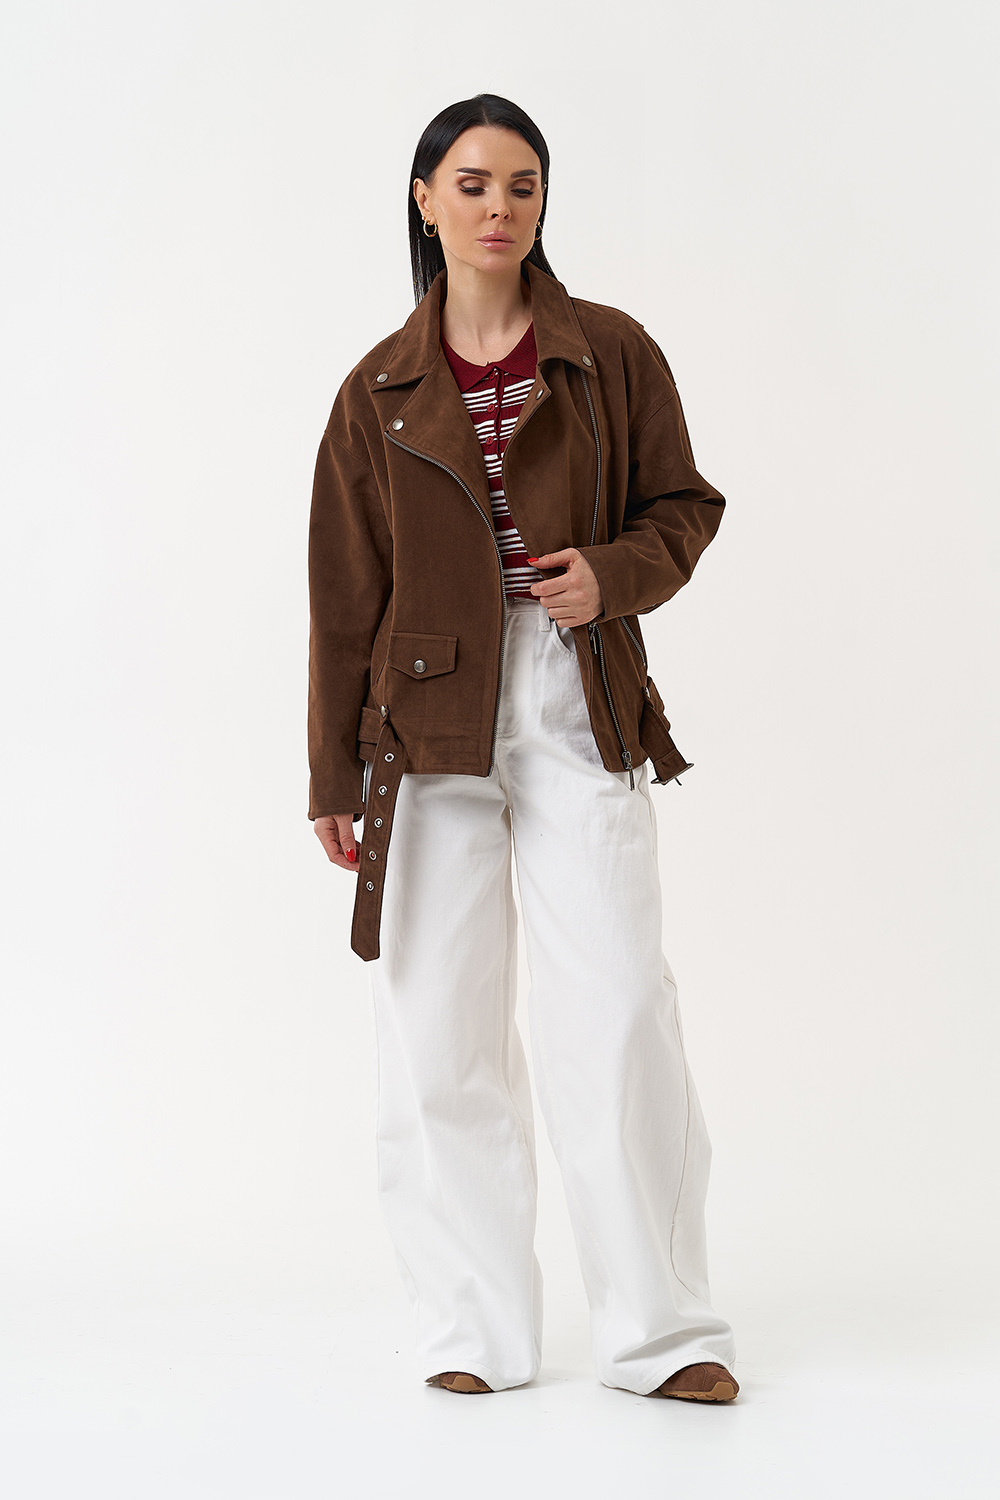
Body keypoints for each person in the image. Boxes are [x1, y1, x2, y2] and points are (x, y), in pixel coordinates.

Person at [307, 93, 739, 1403]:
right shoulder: (376, 390)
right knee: (436, 1032)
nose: (501, 208)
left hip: (575, 694)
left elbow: (685, 504)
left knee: (616, 1011)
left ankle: (661, 1333)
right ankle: (469, 1332)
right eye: (474, 183)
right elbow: (344, 594)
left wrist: (612, 575)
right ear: (425, 200)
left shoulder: (610, 354)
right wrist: (331, 775)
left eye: (524, 186)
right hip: (424, 721)